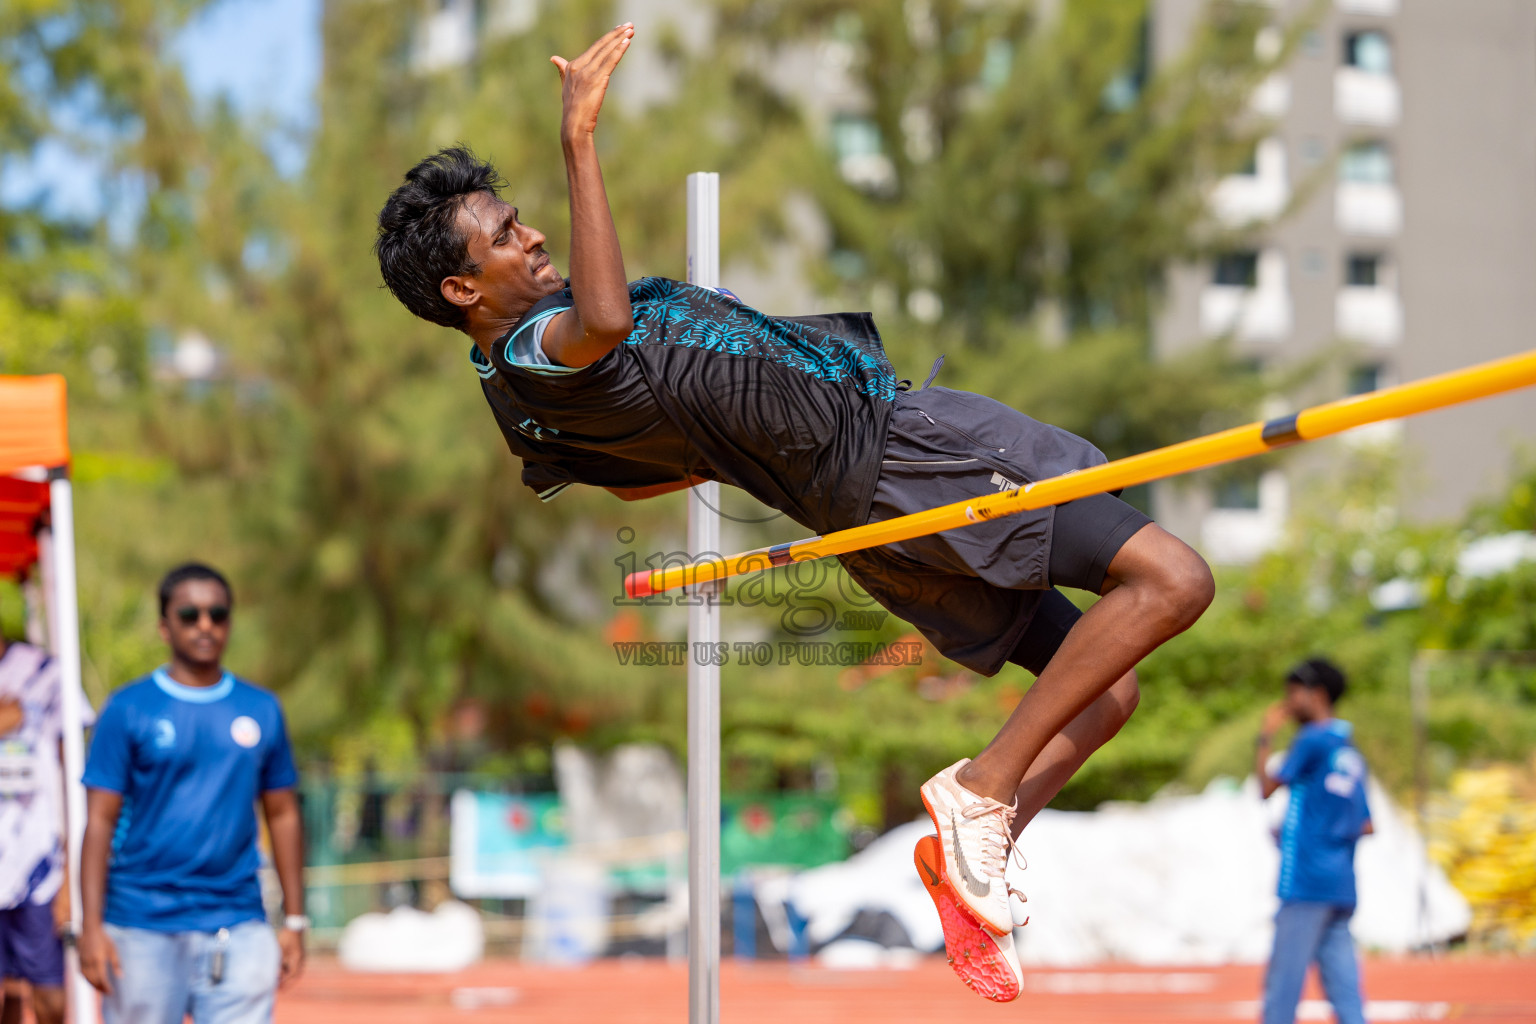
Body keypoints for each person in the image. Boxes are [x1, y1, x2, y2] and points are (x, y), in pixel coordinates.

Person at [374, 24, 1214, 1002]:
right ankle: (983, 791)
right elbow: (604, 322)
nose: (534, 234)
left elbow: (646, 474)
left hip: (865, 515)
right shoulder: (534, 349)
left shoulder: (521, 407)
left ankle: (973, 850)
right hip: (906, 457)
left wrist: (722, 393)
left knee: (1104, 689)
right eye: (507, 232)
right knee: (1174, 579)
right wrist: (579, 139)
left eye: (524, 217)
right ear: (462, 286)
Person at [77, 564, 308, 1024]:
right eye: (189, 614)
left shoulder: (261, 709)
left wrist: (296, 921)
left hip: (238, 923)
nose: (205, 625)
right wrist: (92, 927)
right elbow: (99, 820)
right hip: (141, 926)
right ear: (165, 626)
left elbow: (282, 813)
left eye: (217, 614)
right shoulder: (127, 708)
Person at [1255, 658, 1374, 1024]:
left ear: (1317, 695)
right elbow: (1366, 823)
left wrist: (1265, 736)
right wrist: (1311, 827)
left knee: (1282, 990)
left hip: (1305, 881)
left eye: (1294, 693)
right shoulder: (1347, 747)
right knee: (1345, 992)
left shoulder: (1311, 740)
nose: (1288, 702)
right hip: (1340, 884)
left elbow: (1266, 788)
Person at [0, 632, 93, 1024]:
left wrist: (72, 878)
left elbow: (76, 778)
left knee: (49, 995)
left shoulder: (43, 674)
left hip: (39, 866)